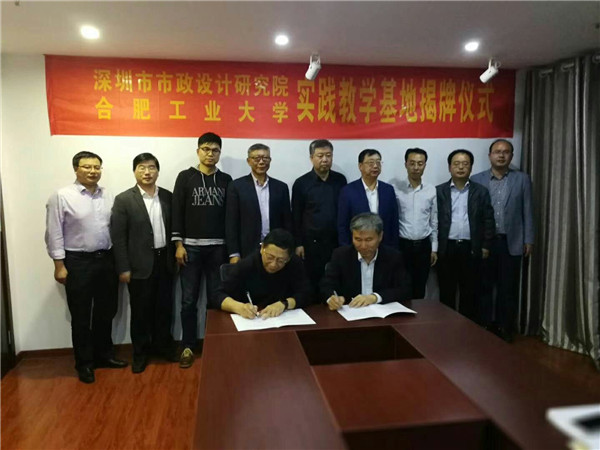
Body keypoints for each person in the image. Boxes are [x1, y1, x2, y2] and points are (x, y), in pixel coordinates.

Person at [45, 151, 127, 384]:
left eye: (96, 167)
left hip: (106, 260)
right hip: (78, 262)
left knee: (106, 311)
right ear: (76, 169)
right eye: (87, 167)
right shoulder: (62, 196)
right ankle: (84, 363)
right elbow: (54, 233)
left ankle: (104, 355)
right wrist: (59, 265)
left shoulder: (108, 195)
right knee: (81, 315)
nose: (93, 171)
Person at [111, 153, 176, 373]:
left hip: (165, 261)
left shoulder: (167, 196)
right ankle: (140, 353)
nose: (147, 172)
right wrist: (123, 267)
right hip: (138, 265)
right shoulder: (124, 199)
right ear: (134, 171)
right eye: (141, 168)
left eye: (151, 167)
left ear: (158, 171)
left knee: (164, 309)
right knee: (140, 312)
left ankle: (163, 347)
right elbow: (118, 237)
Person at [171, 132, 232, 368]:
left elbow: (230, 216)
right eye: (206, 149)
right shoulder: (185, 177)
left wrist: (231, 250)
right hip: (191, 249)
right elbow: (177, 211)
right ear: (198, 151)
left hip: (218, 249)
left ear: (220, 153)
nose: (210, 154)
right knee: (188, 301)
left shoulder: (226, 180)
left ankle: (215, 344)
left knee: (216, 300)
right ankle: (188, 345)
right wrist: (178, 245)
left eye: (215, 150)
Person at [471, 139, 534, 341]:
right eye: (497, 151)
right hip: (485, 243)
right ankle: (484, 325)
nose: (501, 155)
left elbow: (527, 210)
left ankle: (504, 327)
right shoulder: (477, 179)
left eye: (506, 152)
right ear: (489, 155)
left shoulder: (522, 179)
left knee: (508, 288)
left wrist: (528, 239)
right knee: (484, 285)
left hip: (511, 241)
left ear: (511, 156)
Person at [436, 149, 495, 323]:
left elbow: (488, 220)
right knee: (446, 291)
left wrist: (486, 245)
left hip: (471, 248)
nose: (461, 167)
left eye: (465, 164)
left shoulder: (481, 192)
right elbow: (433, 221)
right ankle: (445, 326)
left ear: (471, 167)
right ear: (449, 167)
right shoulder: (439, 191)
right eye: (456, 164)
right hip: (447, 248)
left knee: (470, 292)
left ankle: (466, 330)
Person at [321, 213, 411, 310]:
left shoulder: (393, 257)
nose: (363, 246)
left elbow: (405, 289)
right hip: (351, 312)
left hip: (382, 313)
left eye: (368, 240)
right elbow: (326, 285)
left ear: (380, 236)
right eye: (358, 239)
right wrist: (331, 298)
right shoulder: (341, 255)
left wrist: (375, 297)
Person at [292, 139, 347, 296]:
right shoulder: (301, 183)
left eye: (328, 155)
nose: (325, 159)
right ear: (311, 158)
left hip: (335, 242)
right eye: (320, 155)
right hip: (311, 243)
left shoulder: (340, 180)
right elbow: (296, 215)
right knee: (313, 282)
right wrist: (298, 243)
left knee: (335, 280)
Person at [216, 229, 310, 318]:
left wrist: (285, 304)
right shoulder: (247, 265)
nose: (273, 264)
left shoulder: (294, 264)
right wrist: (238, 307)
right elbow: (217, 295)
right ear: (262, 248)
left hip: (283, 320)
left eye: (280, 261)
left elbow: (307, 293)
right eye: (270, 257)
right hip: (253, 320)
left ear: (288, 258)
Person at [226, 143, 292, 262]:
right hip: (247, 249)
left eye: (265, 158)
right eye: (257, 158)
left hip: (276, 249)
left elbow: (287, 221)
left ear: (270, 160)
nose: (261, 162)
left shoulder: (281, 187)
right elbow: (231, 222)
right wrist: (234, 253)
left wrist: (288, 248)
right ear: (248, 161)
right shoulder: (236, 186)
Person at [392, 148, 438, 299]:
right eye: (412, 163)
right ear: (405, 164)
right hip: (402, 245)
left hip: (423, 246)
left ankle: (418, 315)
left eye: (420, 163)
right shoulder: (395, 189)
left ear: (425, 165)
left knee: (420, 288)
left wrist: (434, 248)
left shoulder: (431, 190)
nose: (416, 167)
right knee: (401, 286)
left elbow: (434, 221)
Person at [337, 149, 399, 249]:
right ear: (360, 166)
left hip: (384, 247)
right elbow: (342, 225)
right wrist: (346, 248)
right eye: (371, 163)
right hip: (359, 247)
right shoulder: (348, 191)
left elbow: (394, 222)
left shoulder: (388, 190)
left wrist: (393, 249)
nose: (375, 166)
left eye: (378, 162)